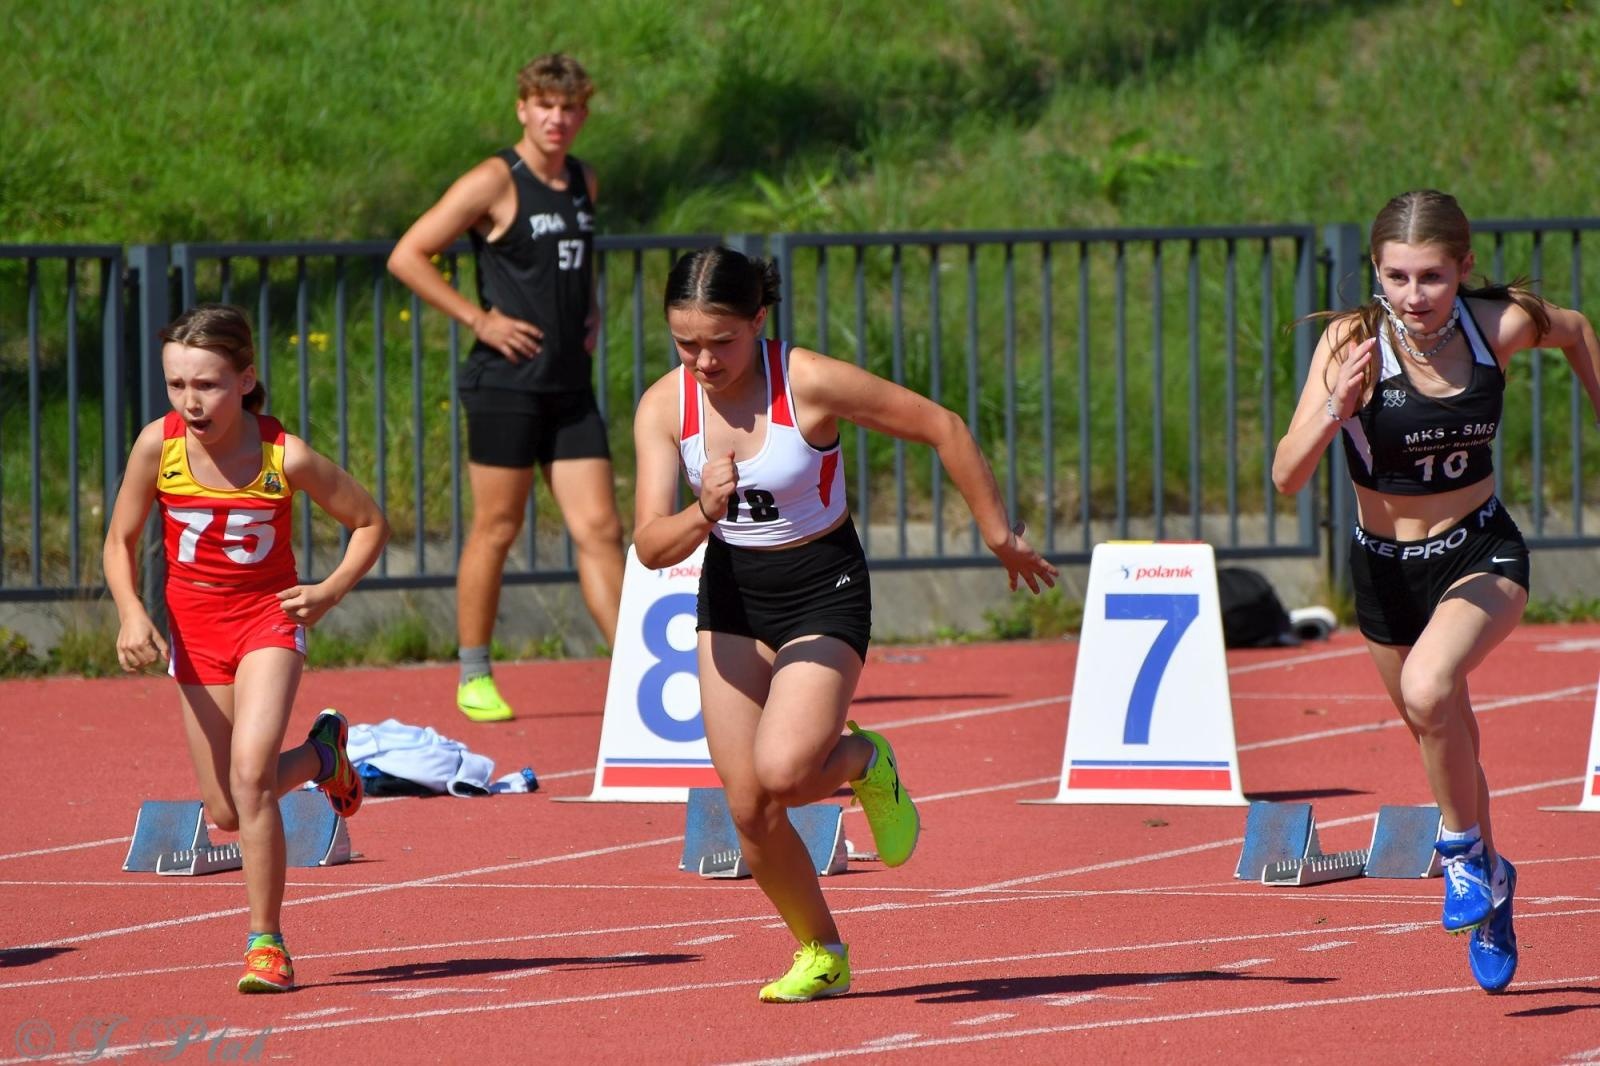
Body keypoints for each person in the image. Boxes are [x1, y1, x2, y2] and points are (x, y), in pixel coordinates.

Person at [632, 247, 1058, 1002]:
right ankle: (823, 952)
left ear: (758, 321)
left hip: (822, 588)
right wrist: (703, 511)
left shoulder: (809, 382)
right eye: (685, 342)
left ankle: (865, 759)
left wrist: (999, 535)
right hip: (732, 595)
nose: (703, 361)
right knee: (748, 807)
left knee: (787, 774)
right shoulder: (665, 408)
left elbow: (943, 426)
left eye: (721, 341)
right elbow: (648, 545)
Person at [1272, 189, 1600, 993]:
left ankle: (1460, 854)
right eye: (1396, 277)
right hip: (1384, 572)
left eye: (1432, 277)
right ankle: (1492, 885)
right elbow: (1285, 476)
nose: (1414, 296)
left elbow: (1577, 329)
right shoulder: (1352, 343)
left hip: (1480, 552)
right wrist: (1333, 410)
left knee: (1429, 687)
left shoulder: (1498, 326)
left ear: (1463, 269)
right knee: (1443, 731)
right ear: (1375, 272)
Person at [104, 304, 389, 993]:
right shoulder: (158, 447)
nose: (191, 401)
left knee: (253, 775)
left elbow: (369, 522)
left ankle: (267, 944)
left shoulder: (284, 455)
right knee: (228, 809)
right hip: (195, 634)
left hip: (267, 622)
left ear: (246, 380)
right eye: (177, 384)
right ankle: (324, 756)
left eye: (207, 384)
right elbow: (119, 540)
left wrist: (329, 591)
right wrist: (132, 613)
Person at [388, 53, 624, 723]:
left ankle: (635, 671)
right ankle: (474, 674)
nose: (557, 118)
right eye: (545, 105)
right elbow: (407, 255)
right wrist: (480, 319)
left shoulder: (583, 180)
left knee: (602, 528)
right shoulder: (495, 179)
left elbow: (576, 260)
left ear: (582, 114)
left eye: (569, 107)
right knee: (497, 526)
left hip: (569, 387)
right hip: (507, 385)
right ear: (523, 108)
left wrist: (591, 307)